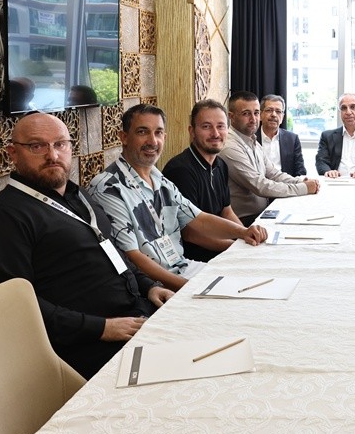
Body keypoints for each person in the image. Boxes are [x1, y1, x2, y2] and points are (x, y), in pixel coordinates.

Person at [0, 112, 173, 379]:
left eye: (60, 144)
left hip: (136, 316)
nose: (52, 155)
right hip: (87, 347)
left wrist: (149, 286)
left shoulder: (78, 195)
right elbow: (15, 308)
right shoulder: (2, 219)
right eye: (37, 146)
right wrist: (102, 328)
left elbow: (111, 251)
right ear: (13, 153)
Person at [87, 103, 267, 291]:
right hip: (156, 286)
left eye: (158, 133)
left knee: (253, 279)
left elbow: (200, 219)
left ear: (164, 137)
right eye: (142, 132)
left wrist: (243, 232)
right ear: (124, 137)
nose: (152, 141)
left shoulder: (160, 180)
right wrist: (190, 289)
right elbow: (133, 258)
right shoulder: (108, 187)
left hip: (184, 267)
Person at [161, 100, 248, 261]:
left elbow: (226, 211)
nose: (215, 134)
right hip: (195, 260)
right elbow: (191, 234)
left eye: (221, 126)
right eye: (206, 127)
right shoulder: (180, 170)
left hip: (222, 252)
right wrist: (237, 247)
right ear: (192, 131)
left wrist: (246, 236)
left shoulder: (220, 165)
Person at [221, 91, 320, 226]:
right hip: (244, 221)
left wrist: (300, 181)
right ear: (231, 116)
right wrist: (304, 188)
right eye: (246, 113)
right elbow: (259, 185)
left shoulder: (251, 140)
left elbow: (273, 174)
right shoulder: (229, 146)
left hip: (263, 212)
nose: (253, 119)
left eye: (256, 113)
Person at [257, 94, 307, 177]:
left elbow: (300, 170)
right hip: (259, 183)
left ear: (282, 117)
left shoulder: (292, 139)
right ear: (260, 115)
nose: (274, 114)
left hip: (286, 183)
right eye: (269, 110)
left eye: (278, 111)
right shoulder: (251, 137)